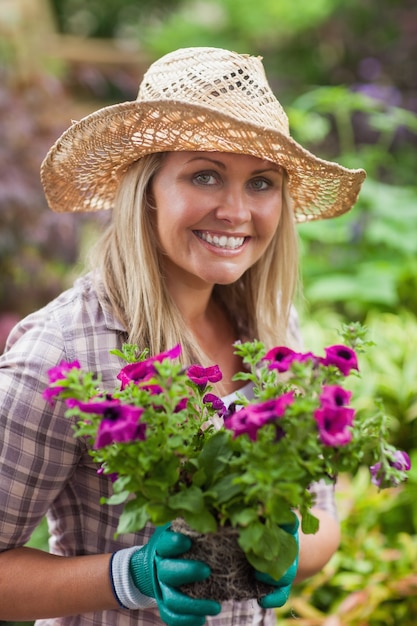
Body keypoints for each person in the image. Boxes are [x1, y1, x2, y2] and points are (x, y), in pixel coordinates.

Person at [0, 46, 366, 626]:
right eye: (205, 175)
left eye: (262, 183)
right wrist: (130, 576)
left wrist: (292, 552)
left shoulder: (272, 331)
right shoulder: (62, 352)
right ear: (146, 189)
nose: (235, 210)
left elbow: (322, 516)